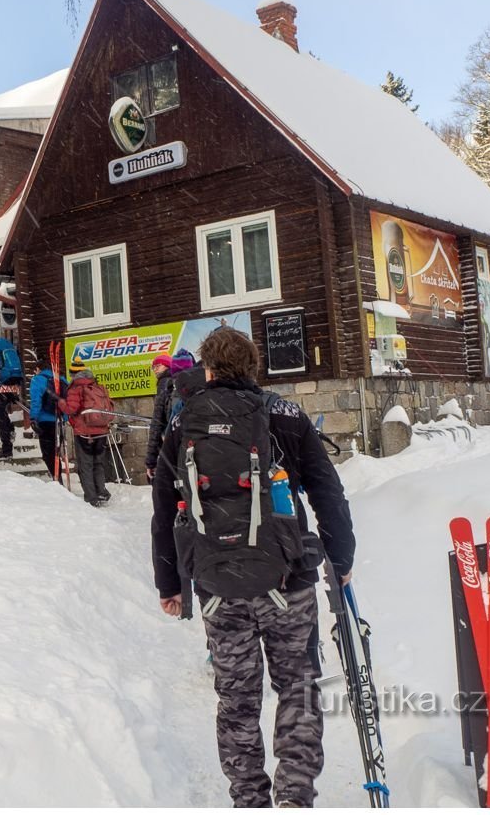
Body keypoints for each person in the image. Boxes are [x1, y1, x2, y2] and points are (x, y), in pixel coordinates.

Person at [152, 327, 356, 808]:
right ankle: (294, 798)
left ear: (208, 369)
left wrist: (171, 583)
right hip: (289, 579)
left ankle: (249, 800)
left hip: (218, 584)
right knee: (297, 691)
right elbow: (327, 490)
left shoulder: (184, 425)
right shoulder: (285, 415)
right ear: (253, 367)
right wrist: (340, 559)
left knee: (237, 701)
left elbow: (164, 508)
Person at [59, 358, 116, 507]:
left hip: (84, 432)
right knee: (98, 463)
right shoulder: (96, 385)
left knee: (86, 464)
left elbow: (71, 409)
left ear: (73, 373)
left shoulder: (75, 388)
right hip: (101, 430)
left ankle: (91, 496)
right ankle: (101, 491)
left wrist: (60, 402)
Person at [143, 352, 198, 481]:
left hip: (175, 448)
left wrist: (151, 460)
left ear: (169, 366)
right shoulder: (200, 387)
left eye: (158, 366)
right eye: (153, 367)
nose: (155, 370)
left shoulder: (165, 384)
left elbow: (157, 424)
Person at [28, 354, 69, 479]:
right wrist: (66, 418)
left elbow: (36, 401)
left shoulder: (38, 380)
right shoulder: (62, 379)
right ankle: (58, 477)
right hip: (60, 420)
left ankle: (57, 479)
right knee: (56, 452)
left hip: (45, 421)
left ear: (38, 369)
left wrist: (33, 418)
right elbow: (67, 399)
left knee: (48, 454)